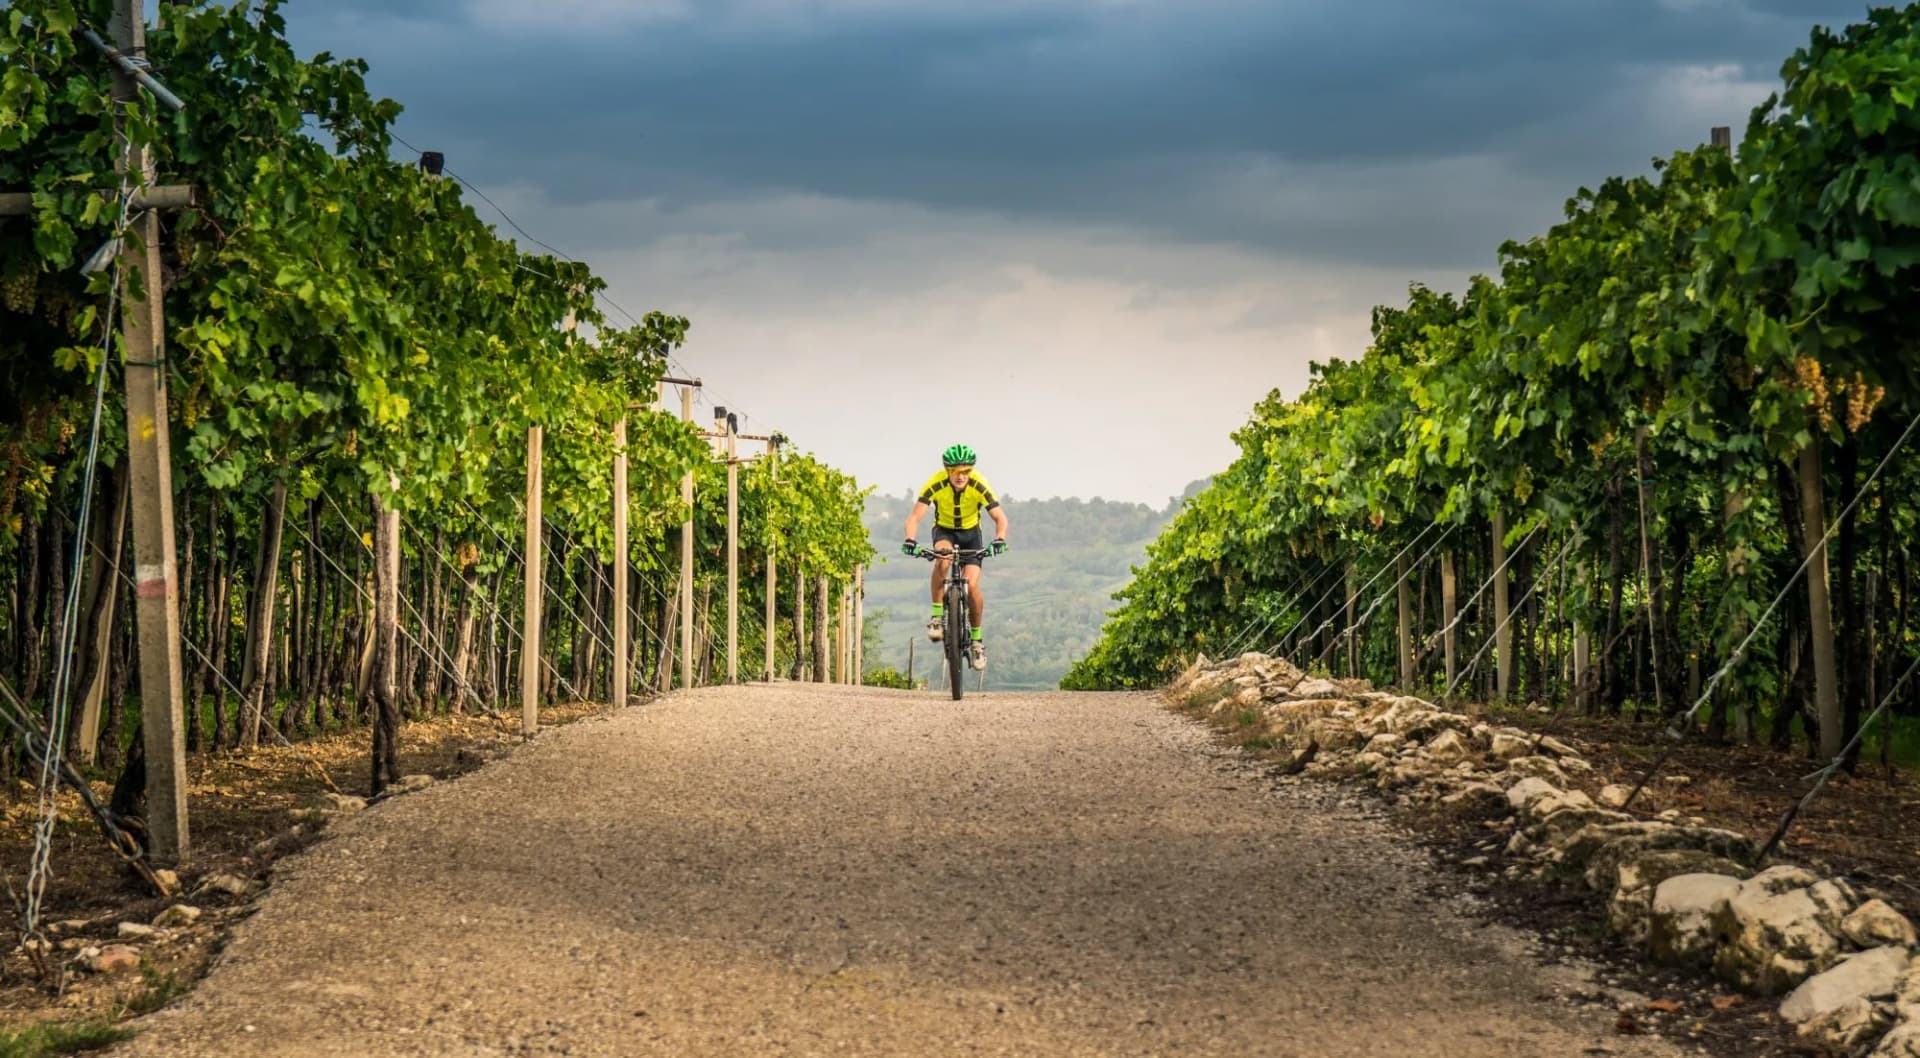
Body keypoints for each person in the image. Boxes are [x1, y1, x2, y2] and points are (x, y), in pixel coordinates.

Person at [900, 444, 1008, 670]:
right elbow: (914, 517)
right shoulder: (935, 483)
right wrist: (910, 539)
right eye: (956, 471)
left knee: (971, 585)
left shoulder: (979, 484)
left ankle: (977, 641)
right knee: (943, 559)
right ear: (947, 471)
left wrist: (999, 539)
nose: (961, 476)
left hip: (971, 536)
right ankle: (937, 616)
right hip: (944, 532)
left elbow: (1000, 518)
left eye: (966, 471)